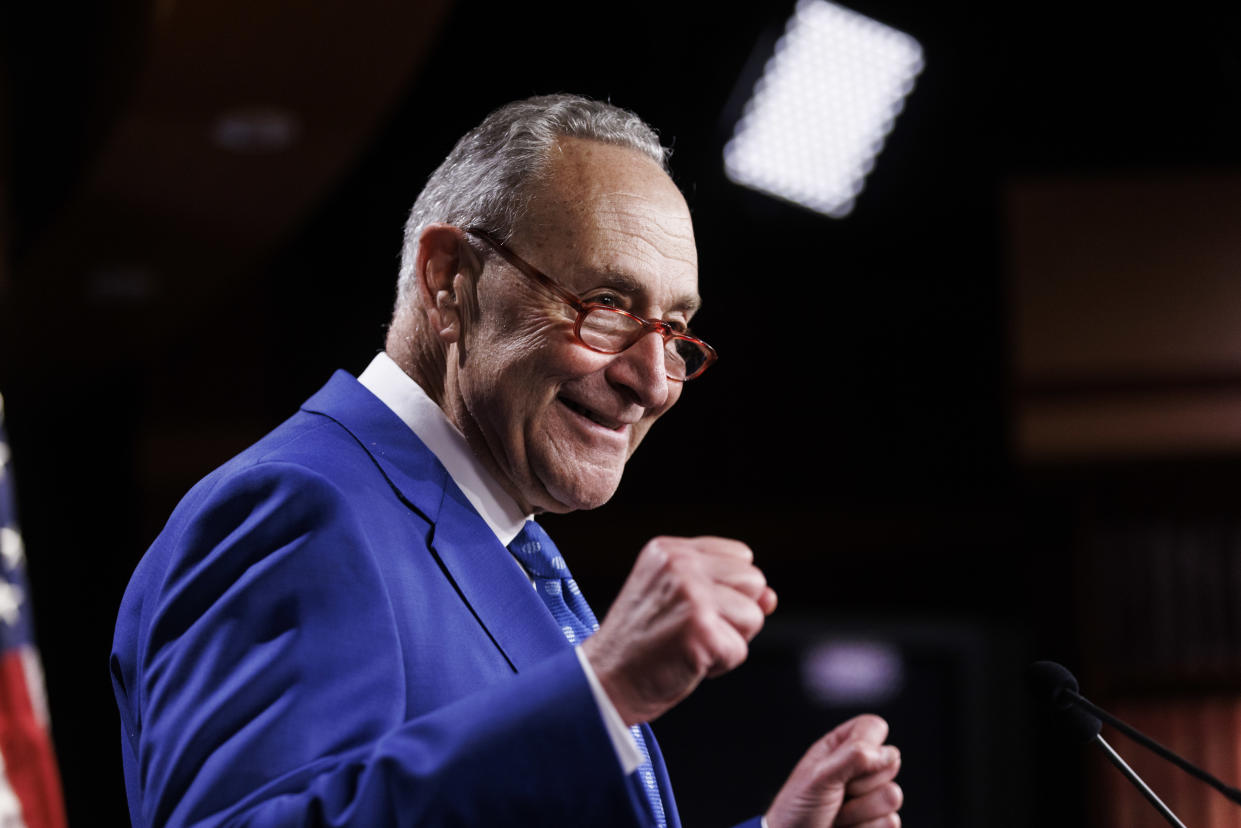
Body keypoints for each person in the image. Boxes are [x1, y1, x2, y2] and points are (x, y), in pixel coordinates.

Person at [111, 94, 903, 828]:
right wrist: (599, 692)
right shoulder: (297, 508)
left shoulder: (491, 536)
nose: (652, 381)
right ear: (449, 281)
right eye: (607, 309)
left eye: (675, 329)